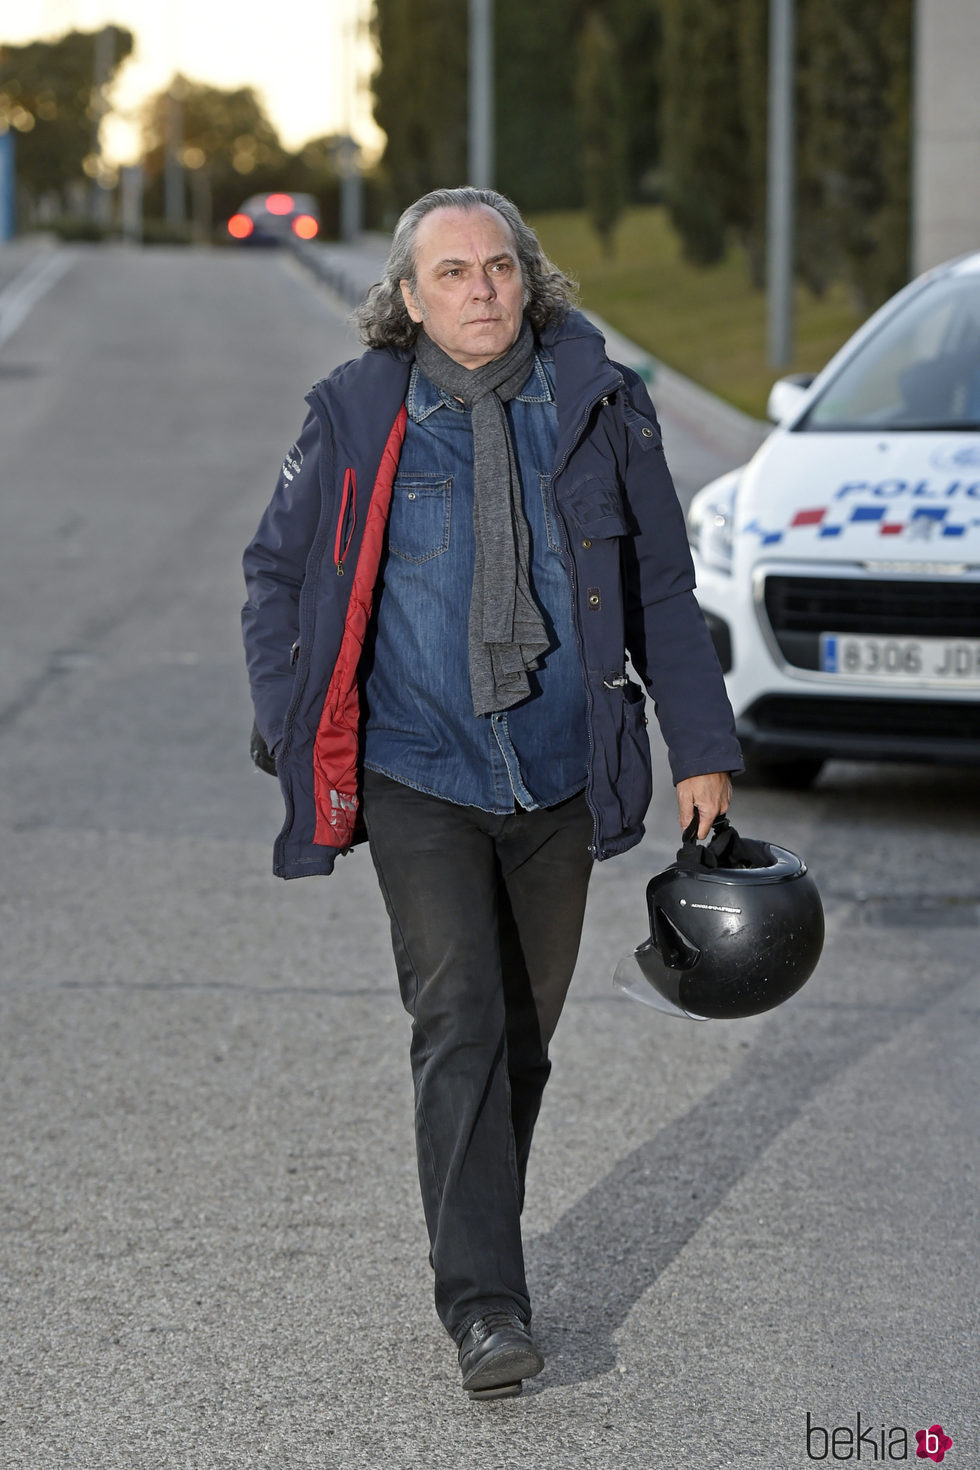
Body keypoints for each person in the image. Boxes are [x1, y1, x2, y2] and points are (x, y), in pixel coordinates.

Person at [241, 186, 741, 1399]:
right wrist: (293, 722)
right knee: (458, 1017)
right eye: (452, 274)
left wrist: (698, 748)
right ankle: (484, 1305)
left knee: (520, 1039)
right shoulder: (357, 415)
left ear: (530, 280)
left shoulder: (598, 408)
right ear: (406, 298)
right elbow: (275, 575)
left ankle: (480, 1243)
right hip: (417, 768)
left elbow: (662, 594)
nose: (481, 292)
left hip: (561, 774)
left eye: (499, 269)